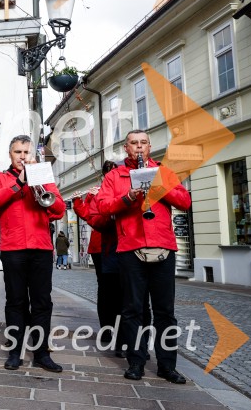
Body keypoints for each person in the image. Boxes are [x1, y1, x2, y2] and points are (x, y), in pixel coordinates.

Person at [96, 130, 191, 384]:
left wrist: (160, 187)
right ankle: (136, 362)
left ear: (150, 147)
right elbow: (102, 206)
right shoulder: (115, 176)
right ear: (126, 148)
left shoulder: (164, 172)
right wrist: (127, 197)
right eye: (134, 143)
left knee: (165, 311)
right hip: (130, 248)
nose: (139, 147)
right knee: (132, 309)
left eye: (143, 143)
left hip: (163, 246)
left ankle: (167, 366)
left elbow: (184, 201)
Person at [0, 134, 65, 373]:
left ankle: (41, 353)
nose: (22, 156)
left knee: (42, 302)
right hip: (13, 248)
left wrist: (40, 184)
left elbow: (60, 209)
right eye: (18, 152)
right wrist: (19, 183)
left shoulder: (43, 177)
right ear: (10, 154)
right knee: (16, 301)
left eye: (26, 152)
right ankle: (15, 352)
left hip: (41, 247)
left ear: (33, 155)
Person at [72, 160, 123, 355]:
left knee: (122, 291)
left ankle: (122, 333)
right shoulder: (98, 192)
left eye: (113, 171)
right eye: (107, 172)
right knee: (106, 290)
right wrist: (81, 200)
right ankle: (107, 329)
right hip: (101, 246)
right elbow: (87, 214)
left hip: (122, 243)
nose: (110, 174)